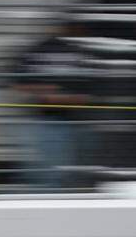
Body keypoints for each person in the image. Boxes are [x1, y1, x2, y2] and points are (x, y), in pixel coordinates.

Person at [11, 18, 90, 190]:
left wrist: (60, 97)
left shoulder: (82, 50)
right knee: (46, 171)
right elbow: (15, 80)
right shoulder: (39, 49)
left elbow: (92, 90)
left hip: (79, 123)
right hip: (43, 121)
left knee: (67, 170)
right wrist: (45, 92)